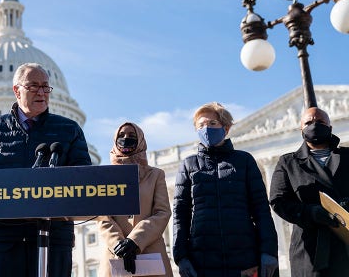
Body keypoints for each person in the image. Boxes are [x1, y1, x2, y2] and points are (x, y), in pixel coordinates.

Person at [0, 63, 92, 277]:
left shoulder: (69, 130)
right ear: (17, 90)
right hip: (3, 242)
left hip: (53, 240)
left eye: (45, 87)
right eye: (34, 86)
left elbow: (84, 181)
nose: (42, 92)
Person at [172, 102, 278, 277]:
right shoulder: (188, 165)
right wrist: (181, 257)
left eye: (212, 124)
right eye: (201, 125)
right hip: (203, 258)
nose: (206, 129)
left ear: (226, 128)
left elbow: (261, 210)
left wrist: (269, 251)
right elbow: (180, 214)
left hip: (244, 257)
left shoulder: (244, 161)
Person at [269, 106, 349, 277]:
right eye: (308, 122)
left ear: (330, 127)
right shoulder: (288, 163)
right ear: (301, 129)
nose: (314, 125)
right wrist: (310, 212)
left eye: (320, 121)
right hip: (310, 250)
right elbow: (278, 201)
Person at [98, 122, 173, 277]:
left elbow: (162, 212)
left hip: (150, 253)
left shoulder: (156, 175)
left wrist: (134, 241)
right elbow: (102, 217)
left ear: (140, 140)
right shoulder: (104, 176)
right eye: (121, 135)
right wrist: (119, 244)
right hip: (115, 255)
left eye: (132, 136)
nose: (126, 139)